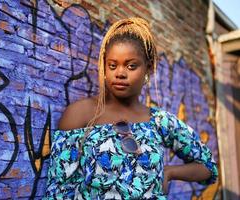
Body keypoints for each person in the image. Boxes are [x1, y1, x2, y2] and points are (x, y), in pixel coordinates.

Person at [45, 17, 218, 199]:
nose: (120, 73)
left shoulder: (160, 121)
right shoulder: (79, 114)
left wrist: (169, 172)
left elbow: (208, 167)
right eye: (112, 65)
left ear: (148, 69)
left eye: (131, 66)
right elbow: (58, 189)